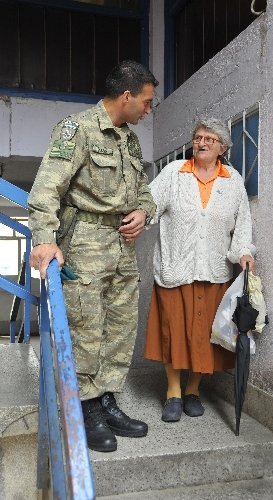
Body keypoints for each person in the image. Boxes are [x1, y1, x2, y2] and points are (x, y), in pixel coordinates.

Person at [28, 60, 158, 452]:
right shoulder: (77, 129)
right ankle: (85, 408)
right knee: (86, 327)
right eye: (147, 103)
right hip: (83, 242)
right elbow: (46, 190)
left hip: (123, 246)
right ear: (126, 96)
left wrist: (143, 212)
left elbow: (145, 193)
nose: (148, 111)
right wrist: (44, 240)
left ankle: (106, 399)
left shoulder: (129, 140)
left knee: (119, 328)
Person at [144, 117, 256, 422]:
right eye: (197, 137)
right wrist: (137, 217)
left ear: (221, 146)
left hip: (214, 271)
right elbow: (149, 204)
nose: (201, 143)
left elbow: (242, 225)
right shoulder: (173, 174)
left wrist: (244, 252)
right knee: (174, 333)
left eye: (209, 138)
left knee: (206, 337)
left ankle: (193, 389)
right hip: (175, 269)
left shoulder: (232, 182)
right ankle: (173, 393)